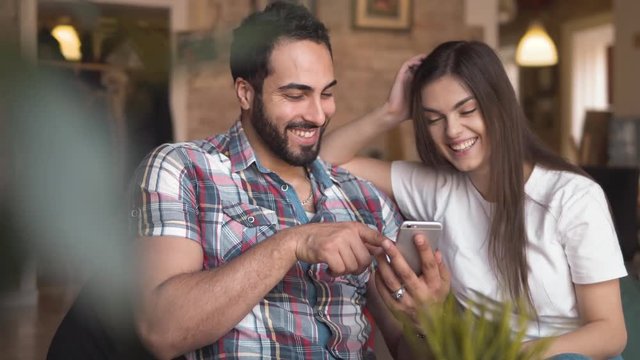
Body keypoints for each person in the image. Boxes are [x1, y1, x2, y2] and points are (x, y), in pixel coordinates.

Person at [129, 2, 449, 359]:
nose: (317, 114)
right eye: (296, 95)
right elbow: (162, 331)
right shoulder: (183, 169)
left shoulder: (364, 198)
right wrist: (293, 243)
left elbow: (408, 349)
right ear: (245, 93)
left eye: (326, 94)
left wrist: (426, 320)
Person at [321, 40, 628, 359]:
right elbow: (327, 161)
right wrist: (391, 112)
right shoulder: (437, 186)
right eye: (434, 119)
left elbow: (610, 332)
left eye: (467, 110)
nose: (453, 131)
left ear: (499, 105)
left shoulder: (572, 197)